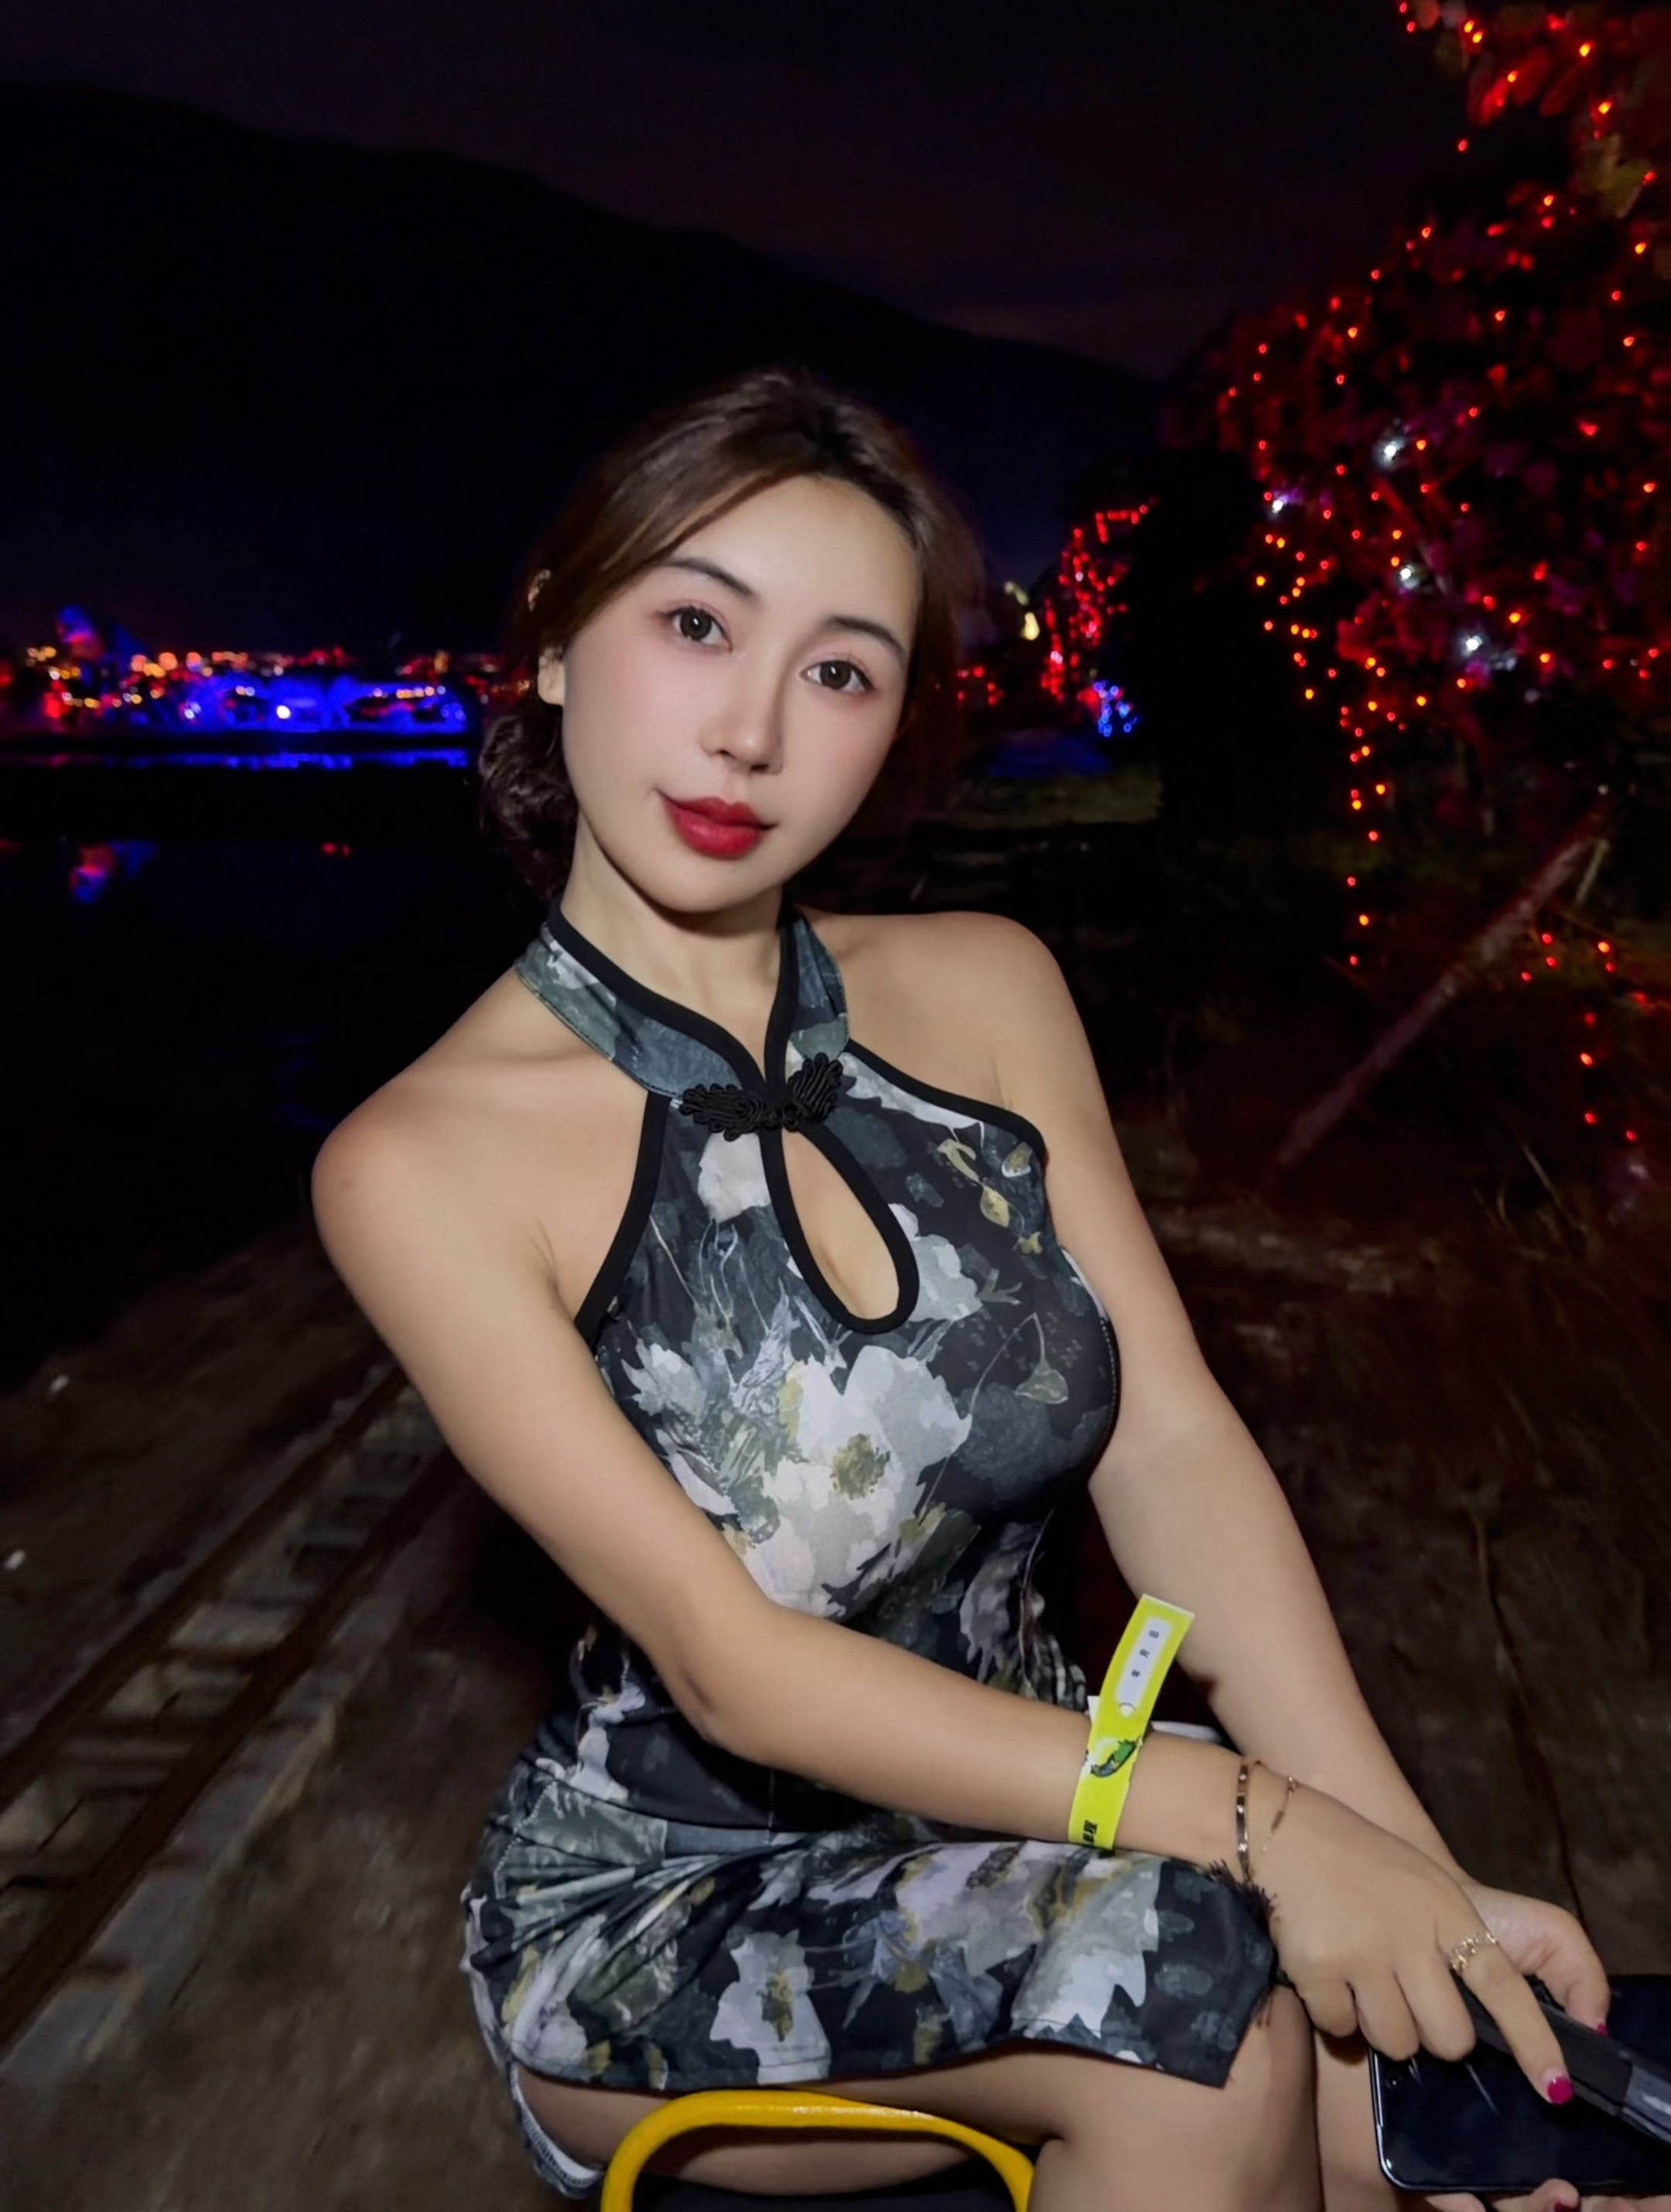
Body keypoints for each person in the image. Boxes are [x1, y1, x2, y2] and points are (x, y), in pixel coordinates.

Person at [311, 369, 1650, 2212]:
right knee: (1189, 1997)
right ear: (552, 638)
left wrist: (1408, 1878)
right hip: (679, 1905)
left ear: (896, 724)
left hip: (1064, 1808)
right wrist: (1251, 1820)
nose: (751, 734)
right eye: (696, 625)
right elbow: (733, 1666)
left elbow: (1170, 1445)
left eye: (839, 671)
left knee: (1477, 2132)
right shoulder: (419, 1163)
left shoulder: (990, 985)